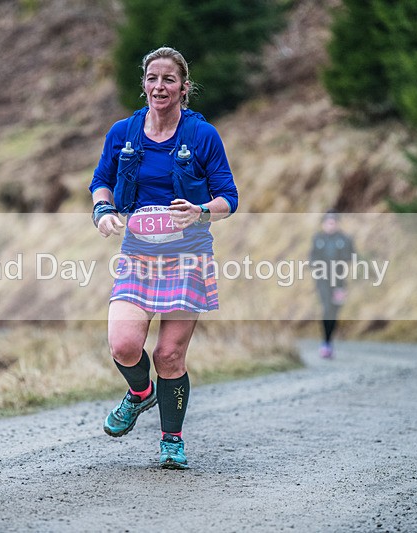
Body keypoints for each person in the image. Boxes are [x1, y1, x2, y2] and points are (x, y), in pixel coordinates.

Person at [88, 47, 238, 469]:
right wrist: (103, 211)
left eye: (169, 79)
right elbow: (100, 181)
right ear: (144, 84)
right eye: (152, 78)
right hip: (137, 254)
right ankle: (140, 394)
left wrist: (201, 210)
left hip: (188, 256)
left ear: (184, 87)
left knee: (168, 355)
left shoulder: (202, 136)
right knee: (124, 344)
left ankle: (172, 441)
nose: (159, 86)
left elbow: (229, 197)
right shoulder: (123, 132)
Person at [309, 209, 355, 359]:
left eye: (333, 222)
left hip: (339, 280)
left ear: (337, 223)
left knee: (334, 311)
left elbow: (351, 257)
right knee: (327, 308)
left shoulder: (344, 239)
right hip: (322, 280)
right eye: (328, 222)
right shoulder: (318, 239)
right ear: (323, 224)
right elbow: (312, 257)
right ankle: (325, 343)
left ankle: (329, 341)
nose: (330, 225)